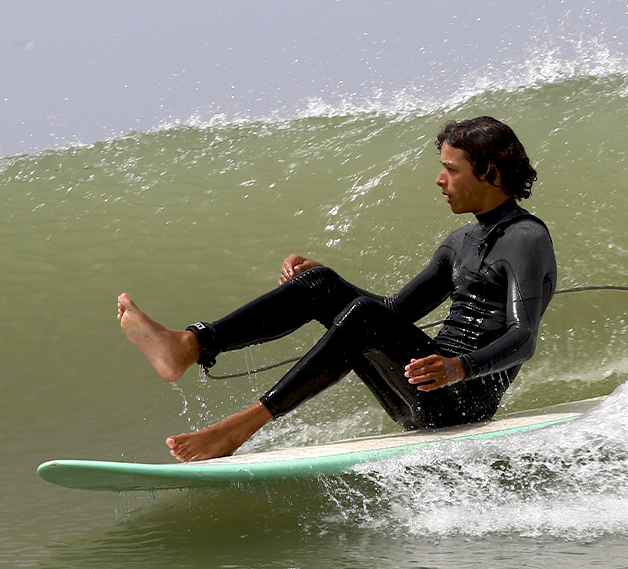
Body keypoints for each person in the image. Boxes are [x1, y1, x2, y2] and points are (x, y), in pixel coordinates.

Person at [117, 116, 557, 461]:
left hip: (462, 401)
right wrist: (328, 282)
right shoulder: (460, 242)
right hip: (420, 387)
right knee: (320, 284)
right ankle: (190, 345)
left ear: (492, 173)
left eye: (450, 169)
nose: (439, 180)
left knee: (361, 313)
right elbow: (393, 312)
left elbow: (524, 339)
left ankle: (243, 424)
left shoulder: (526, 239)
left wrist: (457, 367)